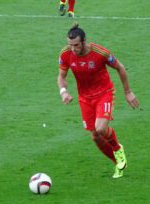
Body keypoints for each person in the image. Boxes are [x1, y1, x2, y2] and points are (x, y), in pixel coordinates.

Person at [57, 23, 140, 178]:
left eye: (76, 45)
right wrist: (63, 92)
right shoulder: (66, 54)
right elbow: (61, 77)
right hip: (85, 98)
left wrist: (128, 92)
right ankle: (118, 164)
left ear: (84, 41)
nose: (73, 49)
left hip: (104, 93)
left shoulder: (100, 53)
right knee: (95, 136)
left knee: (101, 129)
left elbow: (120, 68)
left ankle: (117, 149)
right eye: (70, 45)